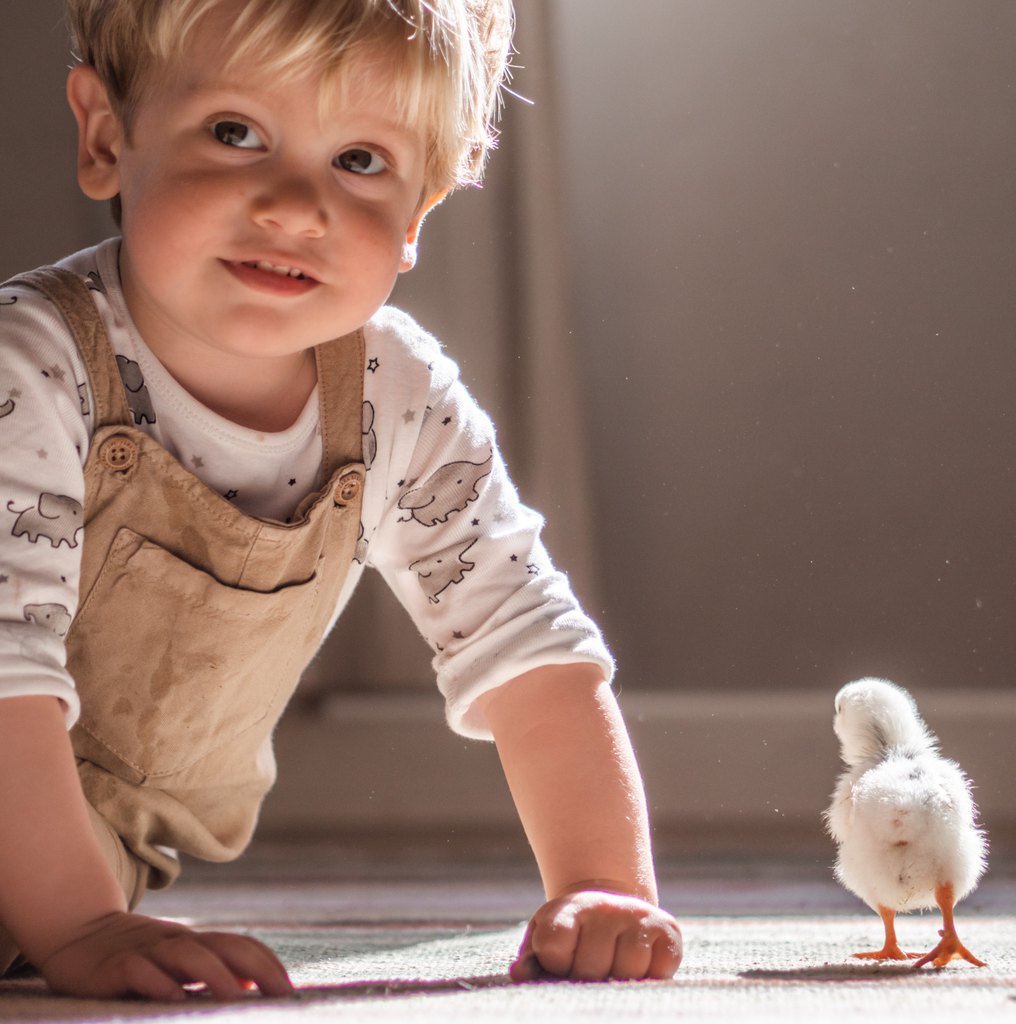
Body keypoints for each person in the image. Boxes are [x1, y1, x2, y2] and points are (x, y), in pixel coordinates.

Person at [0, 0, 682, 999]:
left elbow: (533, 651)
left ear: (418, 215)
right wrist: (84, 927)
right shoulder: (35, 364)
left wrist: (604, 886)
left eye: (358, 162)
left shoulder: (395, 399)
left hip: (79, 858)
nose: (293, 206)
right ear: (108, 136)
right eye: (236, 134)